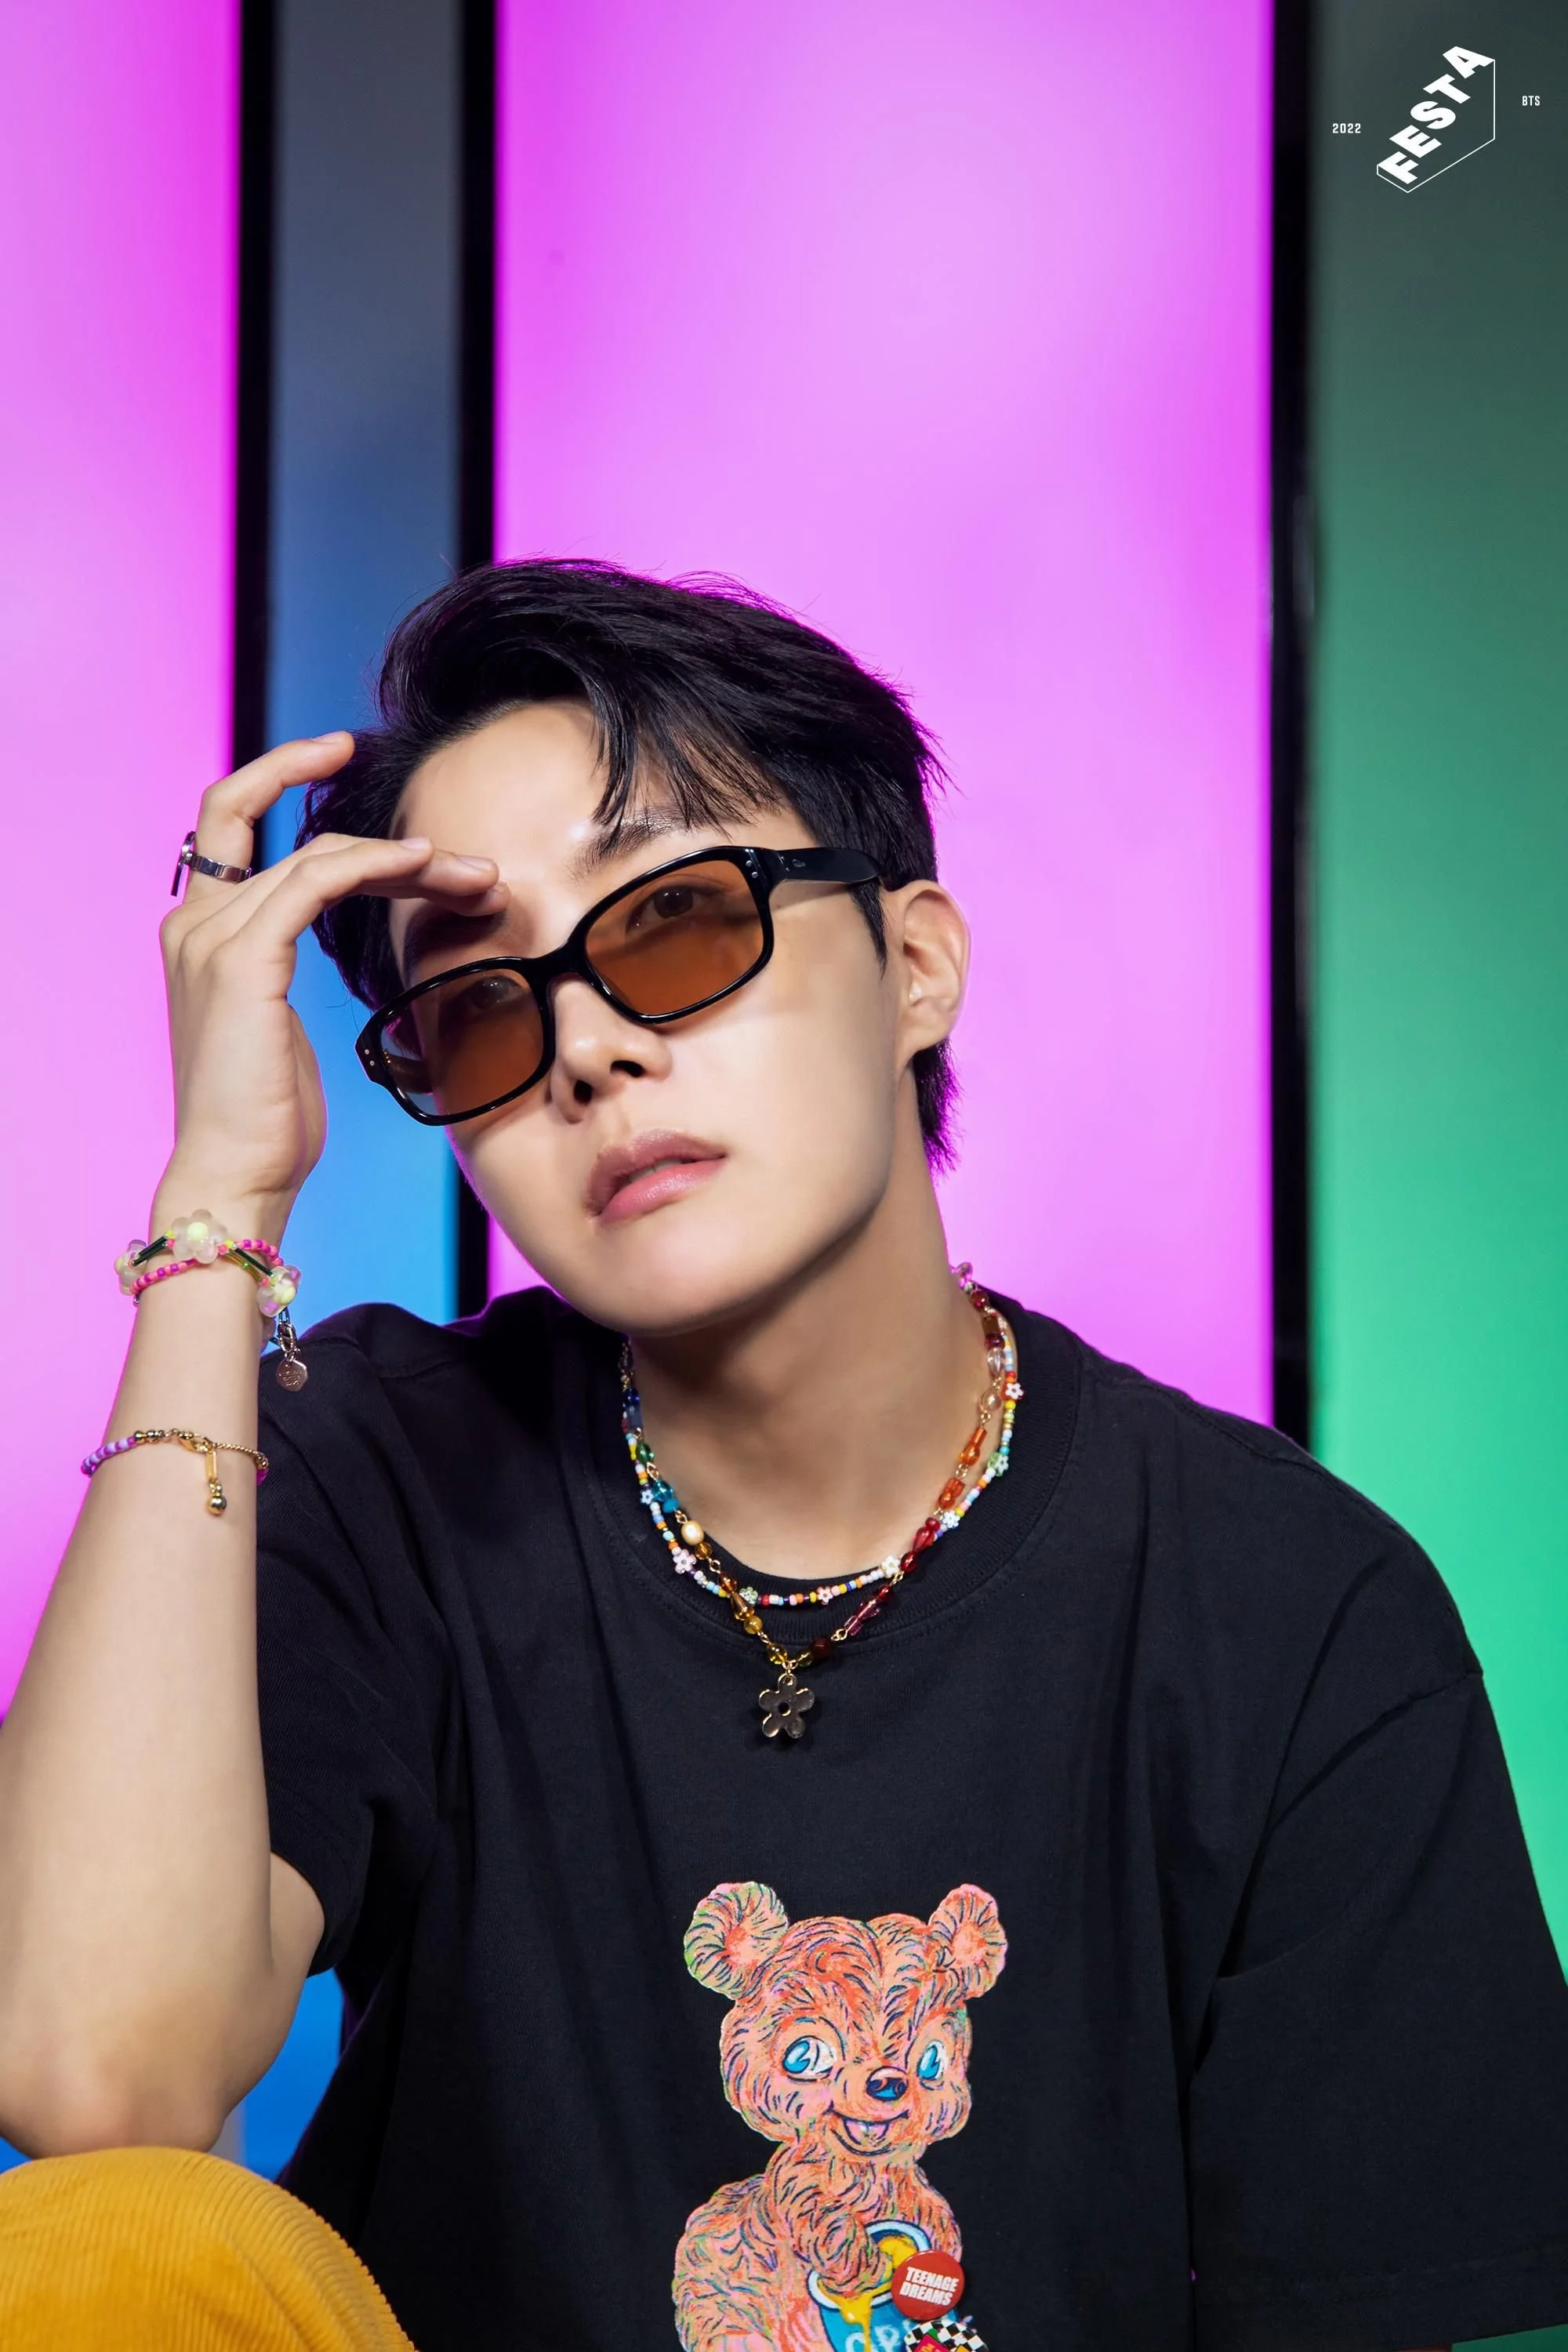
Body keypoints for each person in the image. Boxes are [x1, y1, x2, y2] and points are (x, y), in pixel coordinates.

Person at [0, 561, 1564, 2352]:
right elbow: (94, 2084)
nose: (587, 1049)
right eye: (483, 1011)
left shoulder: (1289, 1604)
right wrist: (215, 1211)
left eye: (675, 923)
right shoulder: (379, 1472)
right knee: (111, 2244)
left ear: (915, 968)